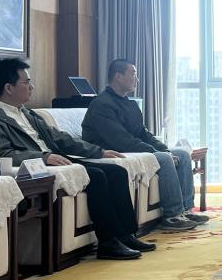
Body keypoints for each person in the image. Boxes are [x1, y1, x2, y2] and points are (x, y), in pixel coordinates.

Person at [0, 58, 150, 260]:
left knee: (117, 171)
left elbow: (60, 138)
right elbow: (2, 154)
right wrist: (44, 157)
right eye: (27, 82)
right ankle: (108, 242)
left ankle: (126, 235)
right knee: (97, 176)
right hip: (40, 166)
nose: (32, 87)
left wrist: (99, 152)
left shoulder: (27, 113)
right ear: (8, 88)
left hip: (57, 160)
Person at [81, 59, 208, 233]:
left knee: (182, 154)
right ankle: (172, 215)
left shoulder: (130, 104)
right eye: (133, 74)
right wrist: (158, 153)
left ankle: (186, 210)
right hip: (114, 151)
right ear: (118, 76)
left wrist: (163, 148)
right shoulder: (101, 104)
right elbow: (121, 140)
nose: (137, 79)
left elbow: (143, 133)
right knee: (164, 158)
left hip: (131, 148)